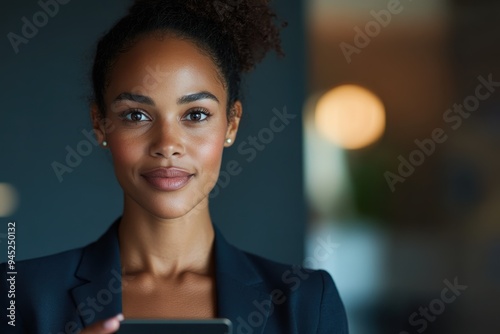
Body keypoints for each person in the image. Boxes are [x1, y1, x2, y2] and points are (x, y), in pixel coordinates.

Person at [1, 0, 348, 333]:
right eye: (136, 115)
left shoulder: (304, 301)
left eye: (196, 115)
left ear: (231, 124)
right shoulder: (18, 293)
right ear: (100, 124)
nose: (167, 144)